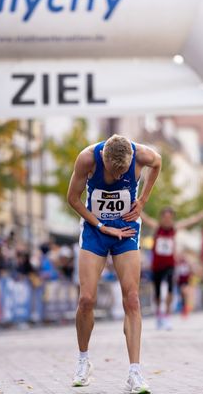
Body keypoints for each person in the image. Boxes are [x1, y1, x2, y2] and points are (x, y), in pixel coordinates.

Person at [67, 134, 161, 392]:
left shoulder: (141, 154)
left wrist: (142, 200)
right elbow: (72, 198)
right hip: (95, 230)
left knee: (132, 299)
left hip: (127, 229)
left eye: (124, 172)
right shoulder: (87, 158)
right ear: (103, 160)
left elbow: (158, 162)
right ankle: (83, 361)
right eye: (114, 171)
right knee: (86, 299)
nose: (120, 177)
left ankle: (135, 372)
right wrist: (100, 226)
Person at [141, 204, 203, 330]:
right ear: (161, 218)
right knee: (158, 293)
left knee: (170, 291)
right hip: (157, 266)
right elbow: (144, 217)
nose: (167, 220)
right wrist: (133, 203)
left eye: (170, 218)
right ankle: (159, 314)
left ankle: (167, 317)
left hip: (170, 265)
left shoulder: (174, 228)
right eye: (165, 217)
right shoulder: (156, 227)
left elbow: (193, 220)